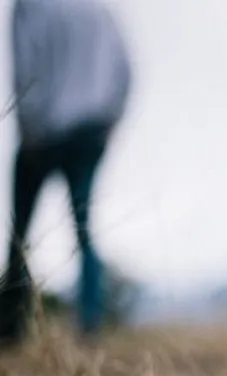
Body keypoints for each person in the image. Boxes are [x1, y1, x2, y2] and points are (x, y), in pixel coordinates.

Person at [0, 0, 132, 347]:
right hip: (90, 130)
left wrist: (29, 131)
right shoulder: (99, 11)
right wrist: (109, 120)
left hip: (43, 133)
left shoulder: (31, 6)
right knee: (84, 231)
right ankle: (90, 324)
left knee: (20, 235)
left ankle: (11, 327)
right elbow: (126, 70)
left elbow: (25, 69)